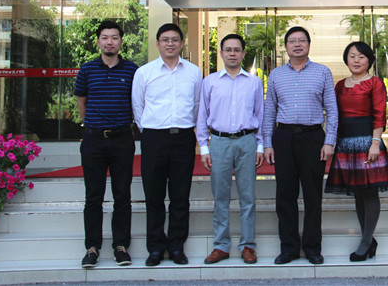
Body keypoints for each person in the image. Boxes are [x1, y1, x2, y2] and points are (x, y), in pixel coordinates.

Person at [262, 26, 338, 265]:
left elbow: (332, 109)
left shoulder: (322, 72)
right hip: (283, 137)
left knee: (313, 195)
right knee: (285, 195)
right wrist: (267, 143)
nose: (297, 44)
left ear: (308, 45)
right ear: (285, 46)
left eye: (302, 40)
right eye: (292, 41)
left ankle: (313, 248)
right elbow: (269, 110)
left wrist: (329, 141)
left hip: (313, 137)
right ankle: (289, 248)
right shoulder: (276, 75)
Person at [132, 23, 203, 267]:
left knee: (180, 196)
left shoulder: (193, 72)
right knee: (154, 196)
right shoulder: (144, 72)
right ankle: (155, 248)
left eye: (174, 39)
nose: (170, 43)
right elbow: (138, 107)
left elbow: (197, 105)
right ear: (158, 43)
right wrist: (150, 131)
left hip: (183, 138)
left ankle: (176, 247)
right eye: (165, 39)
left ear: (181, 43)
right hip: (154, 138)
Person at [75, 20, 138, 269]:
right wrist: (91, 125)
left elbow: (137, 101)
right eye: (105, 37)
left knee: (122, 195)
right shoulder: (87, 69)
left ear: (121, 41)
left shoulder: (132, 70)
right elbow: (81, 102)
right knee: (93, 196)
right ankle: (92, 248)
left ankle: (121, 246)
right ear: (98, 41)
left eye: (114, 37)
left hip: (122, 139)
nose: (109, 42)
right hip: (94, 140)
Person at [197, 34, 265, 265]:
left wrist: (260, 145)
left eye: (237, 49)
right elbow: (202, 115)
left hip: (247, 141)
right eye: (228, 49)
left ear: (243, 54)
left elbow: (261, 115)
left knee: (248, 197)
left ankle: (248, 245)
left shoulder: (254, 82)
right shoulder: (210, 82)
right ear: (222, 53)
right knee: (220, 197)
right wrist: (204, 148)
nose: (232, 53)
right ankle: (221, 246)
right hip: (219, 142)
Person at [325, 41, 388, 262]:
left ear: (369, 60)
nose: (356, 60)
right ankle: (369, 239)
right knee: (357, 192)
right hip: (346, 143)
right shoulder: (339, 85)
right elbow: (334, 114)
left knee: (370, 192)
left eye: (361, 57)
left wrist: (375, 143)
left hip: (367, 142)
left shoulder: (375, 83)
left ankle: (364, 243)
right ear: (346, 59)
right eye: (352, 56)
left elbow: (379, 114)